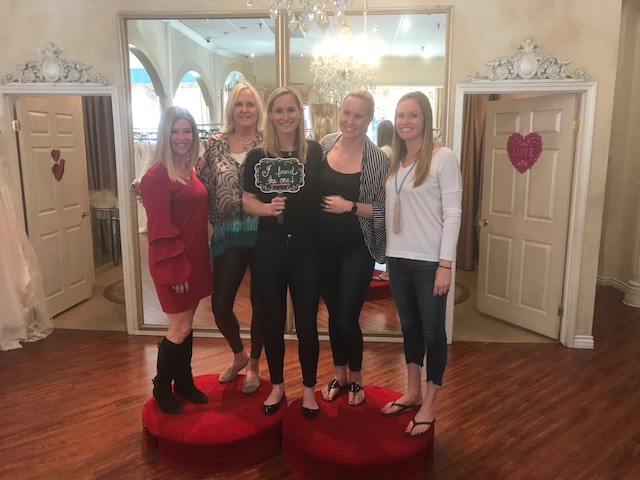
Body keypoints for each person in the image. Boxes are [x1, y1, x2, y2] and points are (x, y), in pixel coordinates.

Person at [379, 91, 462, 438]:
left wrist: (445, 264)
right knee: (409, 328)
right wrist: (386, 258)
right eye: (400, 115)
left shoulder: (442, 157)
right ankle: (412, 392)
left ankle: (430, 402)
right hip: (398, 259)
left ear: (425, 119)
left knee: (432, 333)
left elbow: (453, 213)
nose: (405, 121)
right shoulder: (395, 162)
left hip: (430, 262)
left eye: (413, 115)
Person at [242, 86, 323, 419]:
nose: (285, 116)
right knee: (273, 322)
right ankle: (277, 385)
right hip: (268, 247)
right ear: (270, 115)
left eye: (291, 110)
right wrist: (266, 209)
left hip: (307, 248)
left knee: (306, 324)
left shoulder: (314, 152)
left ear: (300, 114)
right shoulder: (257, 156)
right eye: (279, 110)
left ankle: (308, 390)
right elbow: (247, 199)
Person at [317, 90, 389, 407]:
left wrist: (349, 206)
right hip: (322, 250)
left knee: (347, 317)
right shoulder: (323, 145)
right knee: (334, 316)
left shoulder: (378, 160)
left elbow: (383, 210)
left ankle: (357, 378)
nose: (350, 120)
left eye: (358, 115)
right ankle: (340, 376)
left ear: (369, 119)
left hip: (356, 251)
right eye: (346, 113)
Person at [139, 106, 212, 415]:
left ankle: (183, 382)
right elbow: (159, 226)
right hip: (173, 261)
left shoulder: (188, 168)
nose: (182, 137)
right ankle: (161, 386)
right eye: (175, 131)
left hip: (195, 256)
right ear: (164, 135)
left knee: (186, 325)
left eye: (187, 131)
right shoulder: (157, 175)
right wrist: (176, 268)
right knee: (179, 327)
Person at [196, 83, 265, 395]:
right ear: (231, 109)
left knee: (261, 306)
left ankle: (255, 365)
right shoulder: (214, 145)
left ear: (257, 109)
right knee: (220, 305)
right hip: (226, 236)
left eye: (250, 104)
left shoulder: (268, 144)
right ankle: (239, 355)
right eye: (239, 104)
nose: (245, 110)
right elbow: (198, 186)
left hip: (263, 235)